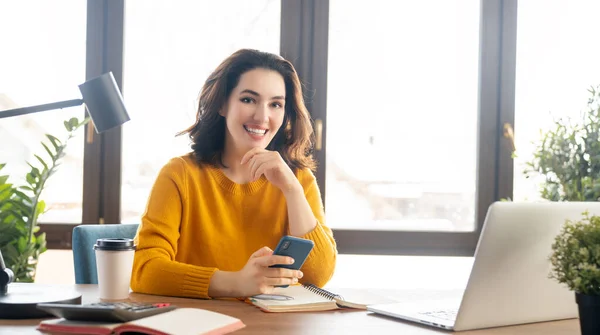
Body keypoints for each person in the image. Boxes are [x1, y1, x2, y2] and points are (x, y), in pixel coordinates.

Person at [130, 49, 337, 299]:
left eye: (276, 104)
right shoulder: (179, 175)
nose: (262, 116)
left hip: (275, 325)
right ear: (221, 104)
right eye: (248, 99)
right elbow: (143, 271)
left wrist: (292, 191)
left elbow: (320, 274)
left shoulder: (298, 180)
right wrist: (235, 283)